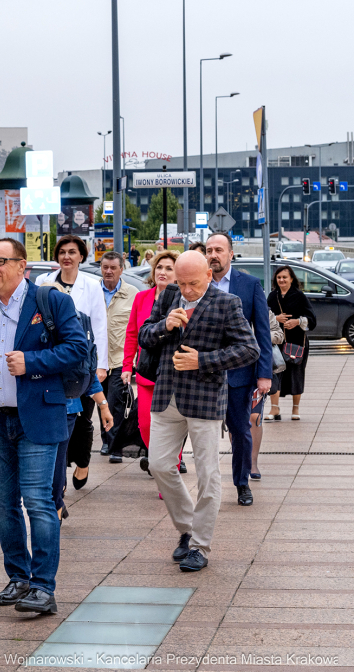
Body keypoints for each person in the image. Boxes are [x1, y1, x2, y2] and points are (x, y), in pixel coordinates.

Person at [0, 239, 89, 614]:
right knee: (2, 505)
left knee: (39, 502)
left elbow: (77, 349)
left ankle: (43, 586)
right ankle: (19, 577)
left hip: (39, 415)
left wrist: (33, 362)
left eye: (0, 261)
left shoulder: (51, 301)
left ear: (21, 266)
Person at [138, 251, 259, 573]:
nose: (187, 290)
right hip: (167, 396)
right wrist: (165, 324)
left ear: (208, 274)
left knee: (208, 475)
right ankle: (187, 527)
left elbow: (249, 349)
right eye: (182, 283)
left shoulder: (227, 302)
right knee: (161, 466)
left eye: (193, 283)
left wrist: (202, 360)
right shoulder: (169, 297)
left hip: (204, 399)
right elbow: (145, 335)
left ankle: (200, 546)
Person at [35, 235, 108, 490]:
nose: (67, 256)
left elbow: (98, 326)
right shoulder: (43, 283)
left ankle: (83, 462)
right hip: (53, 363)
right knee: (59, 419)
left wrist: (101, 365)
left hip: (83, 363)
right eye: (63, 252)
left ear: (81, 256)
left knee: (82, 419)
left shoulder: (92, 285)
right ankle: (59, 480)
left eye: (72, 252)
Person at [205, 233, 273, 507]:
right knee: (203, 433)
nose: (213, 254)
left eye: (219, 249)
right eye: (209, 250)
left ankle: (242, 483)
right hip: (204, 372)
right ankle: (206, 485)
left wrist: (264, 374)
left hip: (240, 373)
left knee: (241, 431)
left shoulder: (250, 284)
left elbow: (263, 333)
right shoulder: (199, 283)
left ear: (231, 254)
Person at [123, 250, 178, 451]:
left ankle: (172, 461)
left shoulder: (181, 299)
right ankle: (156, 457)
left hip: (173, 372)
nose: (162, 272)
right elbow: (131, 334)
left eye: (169, 268)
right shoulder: (141, 298)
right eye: (159, 267)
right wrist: (127, 366)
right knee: (145, 423)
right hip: (146, 370)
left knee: (173, 424)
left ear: (178, 274)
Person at [98, 251, 138, 463]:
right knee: (100, 400)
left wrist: (132, 360)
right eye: (105, 267)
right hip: (96, 360)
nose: (109, 271)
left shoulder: (132, 293)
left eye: (113, 267)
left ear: (121, 269)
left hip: (120, 360)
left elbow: (136, 328)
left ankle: (115, 446)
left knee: (116, 402)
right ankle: (106, 439)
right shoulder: (93, 291)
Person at [267, 265, 316, 421]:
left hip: (296, 342)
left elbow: (312, 319)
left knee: (296, 374)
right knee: (274, 373)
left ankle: (296, 409)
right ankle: (274, 409)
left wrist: (297, 321)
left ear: (292, 279)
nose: (281, 280)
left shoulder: (300, 296)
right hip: (276, 342)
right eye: (279, 277)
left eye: (284, 277)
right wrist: (276, 319)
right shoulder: (272, 296)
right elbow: (263, 318)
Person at [250, 313, 285, 479]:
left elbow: (279, 335)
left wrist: (260, 335)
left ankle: (252, 462)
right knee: (236, 419)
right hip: (233, 369)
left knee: (254, 416)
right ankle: (241, 458)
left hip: (258, 370)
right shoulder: (226, 302)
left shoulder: (263, 309)